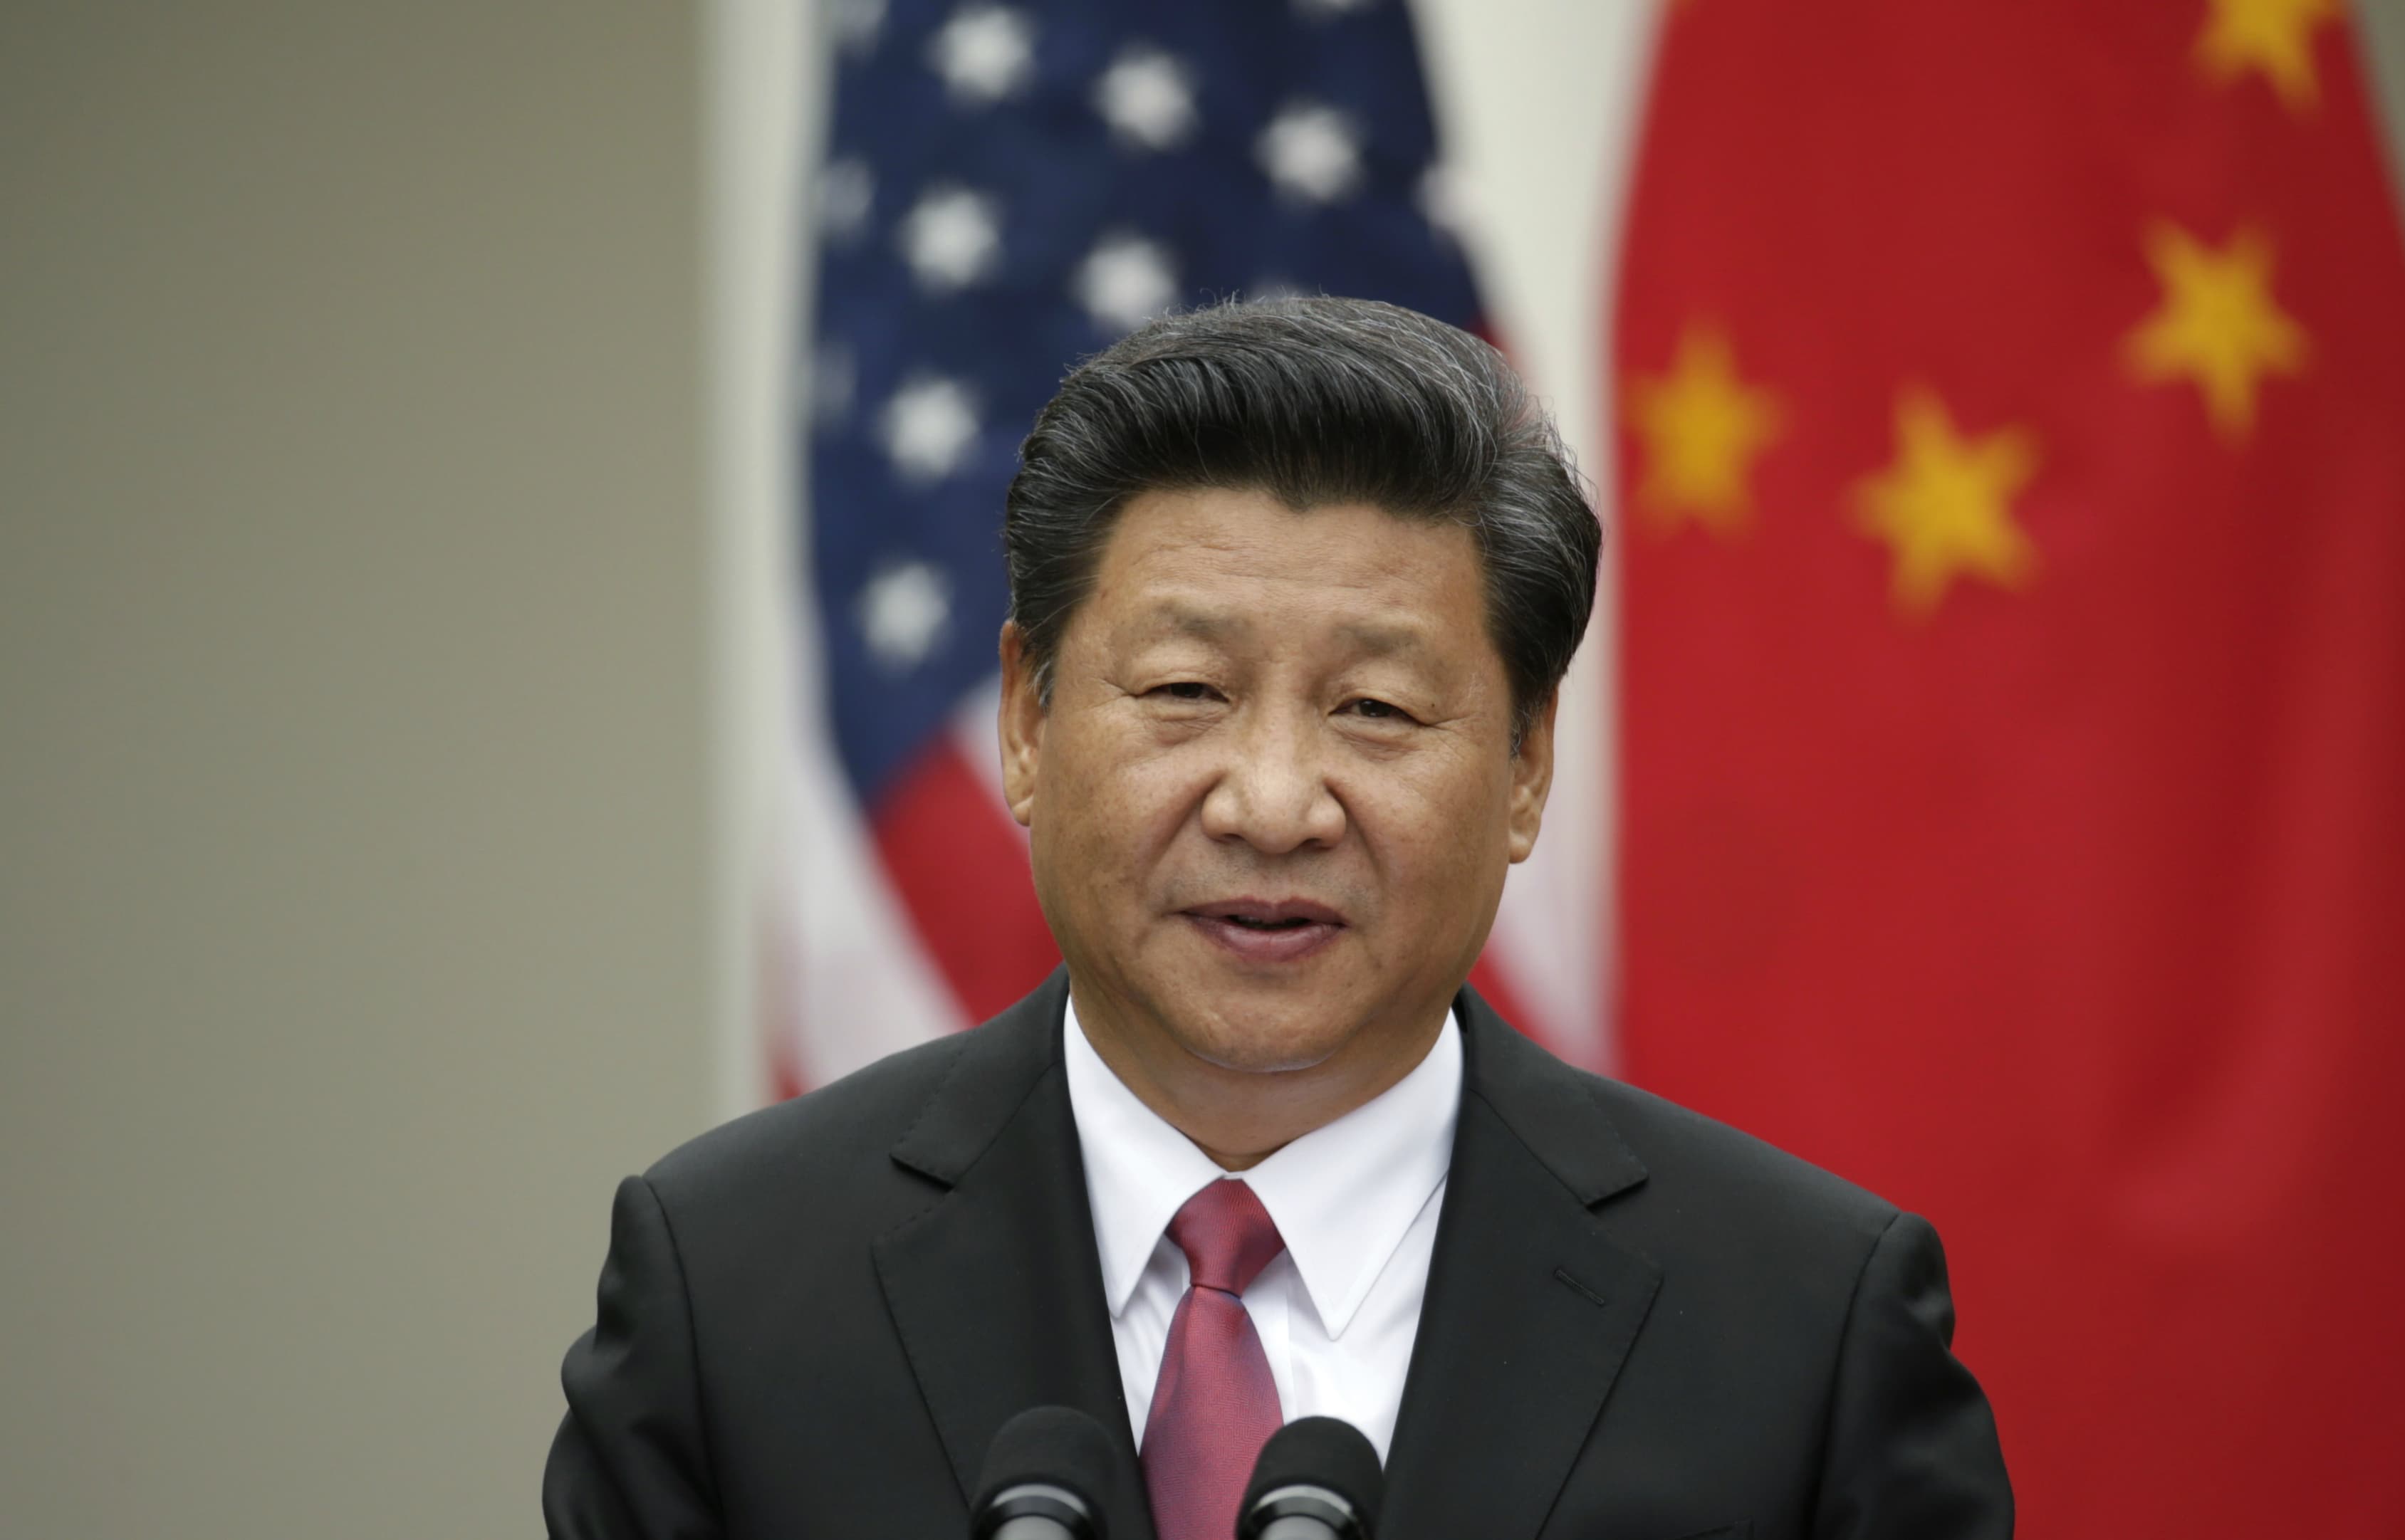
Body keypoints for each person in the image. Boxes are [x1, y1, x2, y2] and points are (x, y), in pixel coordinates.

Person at [543, 298, 2013, 1539]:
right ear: (1024, 721)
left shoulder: (1802, 1328)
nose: (1271, 802)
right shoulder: (730, 1291)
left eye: (1374, 708)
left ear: (1525, 767)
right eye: (1186, 690)